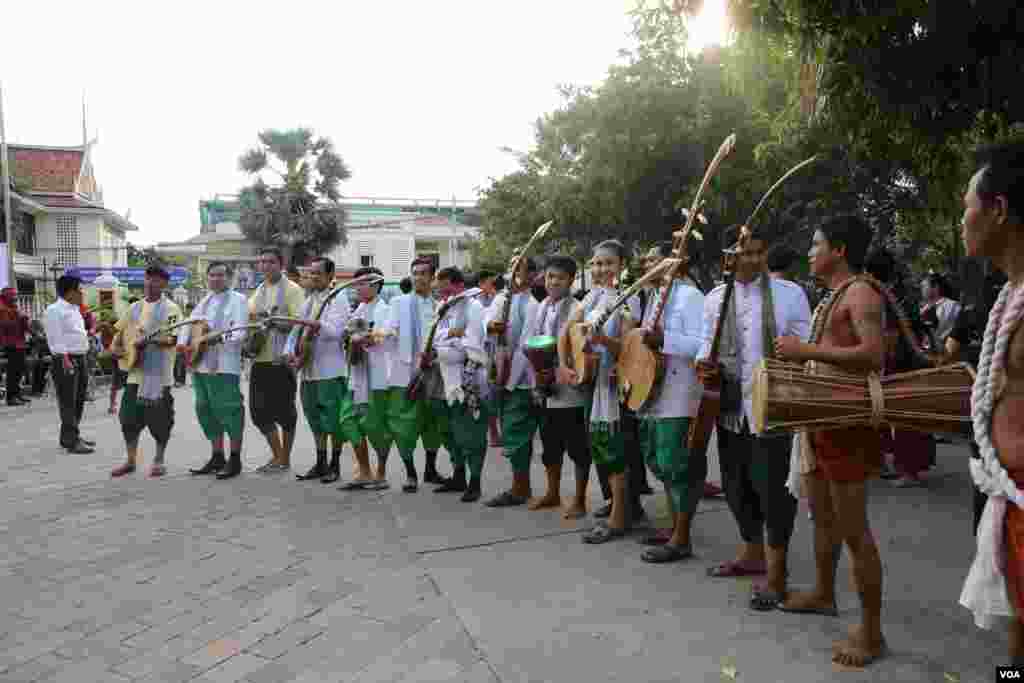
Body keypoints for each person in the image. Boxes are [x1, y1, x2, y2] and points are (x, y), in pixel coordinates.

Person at [773, 214, 887, 667]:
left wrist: (806, 352)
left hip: (849, 426)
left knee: (855, 531)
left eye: (816, 244)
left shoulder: (860, 292)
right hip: (823, 421)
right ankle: (823, 592)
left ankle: (873, 634)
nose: (809, 252)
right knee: (821, 516)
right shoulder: (834, 295)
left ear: (839, 249)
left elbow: (873, 354)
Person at [697, 225, 811, 603]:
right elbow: (704, 347)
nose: (753, 260)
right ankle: (752, 554)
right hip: (731, 408)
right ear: (728, 256)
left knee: (775, 492)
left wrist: (794, 350)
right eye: (745, 253)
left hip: (774, 406)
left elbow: (807, 345)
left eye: (759, 253)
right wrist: (705, 366)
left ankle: (778, 578)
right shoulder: (715, 298)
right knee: (735, 485)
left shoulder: (789, 294)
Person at [958, 139, 1024, 667]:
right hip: (1010, 499)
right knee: (1016, 644)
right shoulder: (1009, 294)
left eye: (967, 207)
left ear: (998, 210)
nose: (963, 220)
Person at [627, 243, 706, 562]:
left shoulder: (691, 296)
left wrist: (665, 340)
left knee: (676, 466)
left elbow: (704, 346)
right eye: (647, 261)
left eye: (656, 261)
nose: (649, 265)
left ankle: (681, 538)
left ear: (677, 264)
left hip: (678, 395)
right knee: (658, 461)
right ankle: (675, 528)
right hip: (652, 392)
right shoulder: (656, 296)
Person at [561, 240, 637, 543]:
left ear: (621, 266)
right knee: (602, 448)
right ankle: (624, 507)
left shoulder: (627, 300)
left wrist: (604, 342)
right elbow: (568, 330)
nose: (601, 268)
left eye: (608, 262)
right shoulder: (589, 298)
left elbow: (632, 349)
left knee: (615, 449)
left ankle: (620, 519)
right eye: (596, 262)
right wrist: (566, 363)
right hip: (592, 382)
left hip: (614, 386)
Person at [520, 255, 593, 518]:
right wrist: (537, 372)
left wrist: (561, 366)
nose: (553, 282)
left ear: (571, 280)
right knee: (550, 447)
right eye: (550, 276)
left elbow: (580, 346)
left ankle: (580, 500)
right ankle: (552, 493)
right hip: (545, 387)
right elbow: (532, 341)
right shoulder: (542, 307)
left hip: (570, 388)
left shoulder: (578, 308)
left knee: (577, 448)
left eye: (560, 277)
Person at [285, 257, 359, 484]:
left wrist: (318, 326)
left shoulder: (338, 299)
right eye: (310, 273)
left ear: (329, 276)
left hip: (330, 371)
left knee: (334, 421)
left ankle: (335, 465)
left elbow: (337, 332)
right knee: (314, 418)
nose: (312, 277)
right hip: (308, 372)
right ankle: (320, 462)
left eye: (317, 273)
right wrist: (289, 350)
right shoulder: (308, 301)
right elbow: (296, 330)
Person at [865, 248, 935, 488]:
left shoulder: (892, 295)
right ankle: (893, 462)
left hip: (902, 360)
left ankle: (909, 470)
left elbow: (892, 337)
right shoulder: (899, 290)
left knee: (903, 416)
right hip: (907, 358)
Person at [177, 262, 249, 480]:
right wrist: (183, 344)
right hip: (201, 365)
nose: (216, 279)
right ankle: (217, 455)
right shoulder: (204, 301)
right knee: (205, 409)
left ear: (229, 278)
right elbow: (188, 324)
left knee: (229, 410)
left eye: (220, 275)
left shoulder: (239, 300)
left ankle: (234, 458)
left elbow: (240, 332)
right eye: (212, 275)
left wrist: (218, 337)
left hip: (225, 365)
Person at [109, 264, 183, 478]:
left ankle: (159, 460)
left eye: (157, 280)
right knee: (128, 418)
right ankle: (131, 460)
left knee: (160, 420)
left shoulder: (171, 309)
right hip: (134, 373)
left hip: (159, 376)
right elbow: (120, 333)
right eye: (148, 279)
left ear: (164, 284)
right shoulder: (134, 308)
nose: (151, 283)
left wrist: (148, 340)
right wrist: (115, 347)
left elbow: (173, 339)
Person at [424, 268, 490, 502]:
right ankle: (458, 475)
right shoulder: (445, 305)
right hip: (444, 378)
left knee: (471, 434)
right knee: (450, 433)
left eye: (443, 286)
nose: (439, 291)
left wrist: (442, 346)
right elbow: (433, 335)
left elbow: (470, 346)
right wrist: (449, 337)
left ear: (457, 284)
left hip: (468, 379)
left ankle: (475, 482)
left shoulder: (473, 307)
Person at [385, 258, 447, 492]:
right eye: (415, 273)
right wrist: (384, 335)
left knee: (433, 424)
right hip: (405, 374)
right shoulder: (398, 302)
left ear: (432, 278)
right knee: (404, 426)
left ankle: (430, 470)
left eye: (423, 273)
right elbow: (390, 330)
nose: (418, 277)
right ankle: (411, 473)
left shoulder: (440, 305)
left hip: (433, 374)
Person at [484, 258, 542, 507]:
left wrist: (508, 378)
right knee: (511, 432)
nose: (515, 273)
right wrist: (491, 326)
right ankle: (521, 486)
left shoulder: (533, 304)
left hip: (521, 380)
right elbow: (487, 326)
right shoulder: (502, 299)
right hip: (502, 374)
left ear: (532, 275)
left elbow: (526, 346)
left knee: (518, 434)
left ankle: (521, 489)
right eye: (513, 267)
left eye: (521, 268)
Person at [249, 247, 305, 473]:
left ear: (281, 264)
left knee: (285, 413)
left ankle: (283, 459)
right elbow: (251, 318)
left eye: (271, 262)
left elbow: (300, 322)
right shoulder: (258, 290)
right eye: (262, 261)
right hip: (260, 360)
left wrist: (274, 322)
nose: (265, 266)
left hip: (282, 360)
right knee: (258, 413)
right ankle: (278, 456)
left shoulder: (293, 290)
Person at [346, 266, 392, 490]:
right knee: (348, 421)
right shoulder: (358, 310)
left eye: (362, 283)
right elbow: (350, 335)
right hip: (357, 375)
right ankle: (364, 471)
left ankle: (381, 473)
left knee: (375, 426)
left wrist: (363, 338)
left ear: (375, 285)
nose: (357, 287)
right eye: (356, 284)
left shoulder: (385, 310)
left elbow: (381, 338)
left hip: (377, 376)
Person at [42, 275, 94, 453]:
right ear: (70, 292)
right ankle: (71, 441)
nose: (82, 292)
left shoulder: (74, 309)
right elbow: (55, 338)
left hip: (80, 357)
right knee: (68, 401)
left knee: (79, 399)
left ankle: (72, 435)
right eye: (80, 289)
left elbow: (76, 334)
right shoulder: (54, 310)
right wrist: (65, 360)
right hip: (66, 359)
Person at [1, 286, 31, 405]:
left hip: (19, 343)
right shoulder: (2, 308)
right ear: (6, 296)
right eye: (12, 295)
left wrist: (23, 319)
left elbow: (23, 325)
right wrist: (20, 317)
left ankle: (17, 394)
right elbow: (5, 325)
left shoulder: (13, 307)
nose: (15, 298)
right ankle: (11, 397)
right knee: (13, 371)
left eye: (15, 295)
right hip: (9, 344)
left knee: (19, 369)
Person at [920, 272, 961, 350]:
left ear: (935, 287)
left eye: (924, 286)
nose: (922, 289)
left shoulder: (953, 306)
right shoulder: (923, 309)